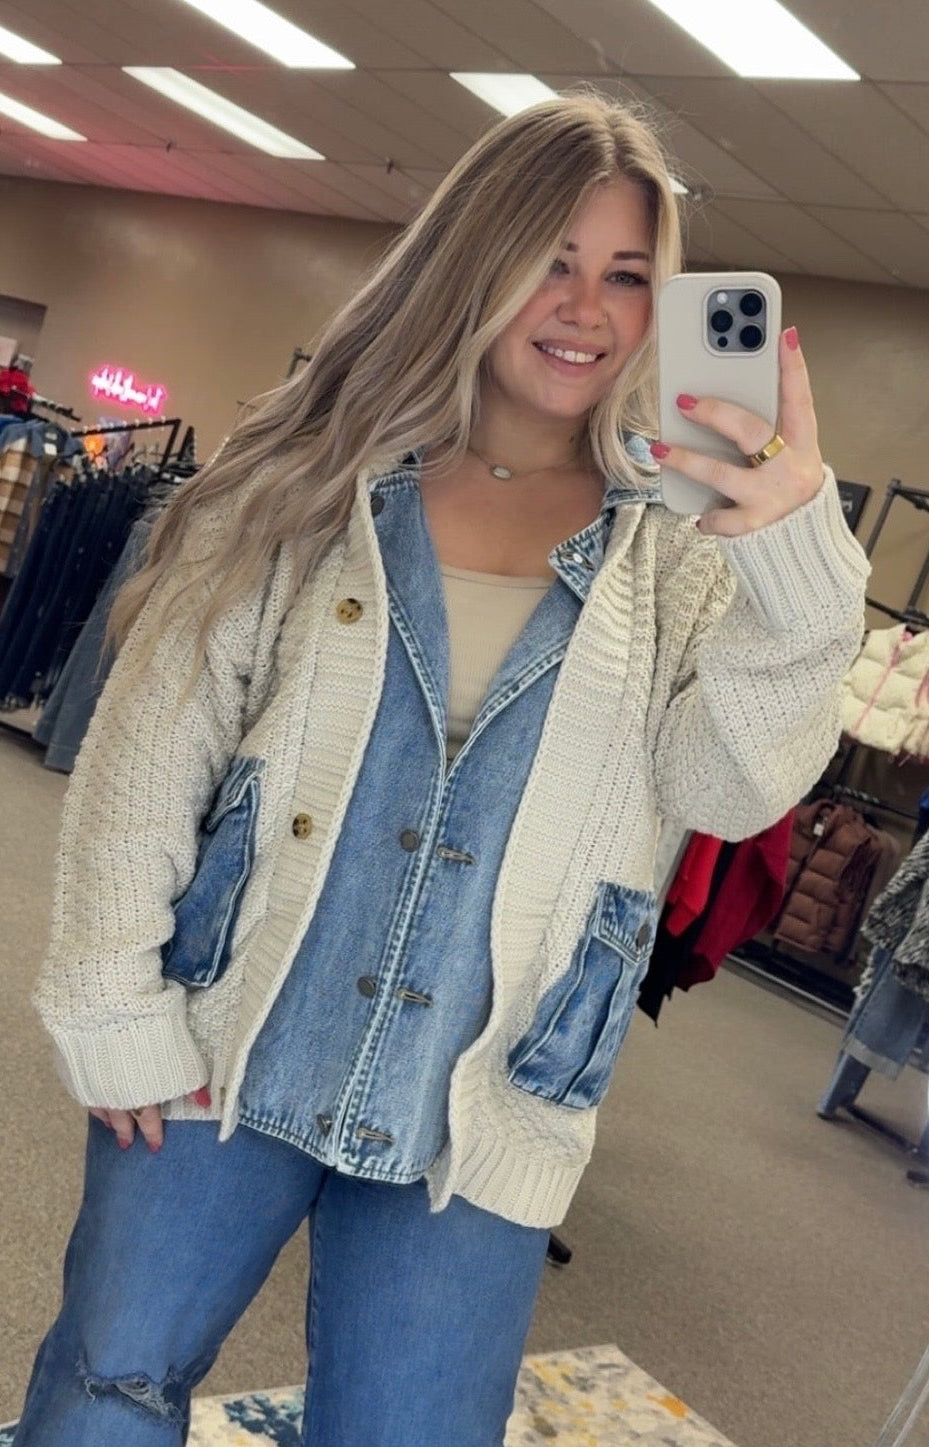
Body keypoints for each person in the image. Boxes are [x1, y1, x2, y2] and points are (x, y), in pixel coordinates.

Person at [14, 92, 869, 1447]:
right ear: (473, 259)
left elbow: (728, 794)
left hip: (492, 1094)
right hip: (227, 1035)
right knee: (107, 1388)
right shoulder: (308, 483)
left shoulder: (682, 559)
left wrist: (797, 568)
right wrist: (114, 1006)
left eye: (627, 275)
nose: (583, 307)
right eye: (549, 259)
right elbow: (146, 761)